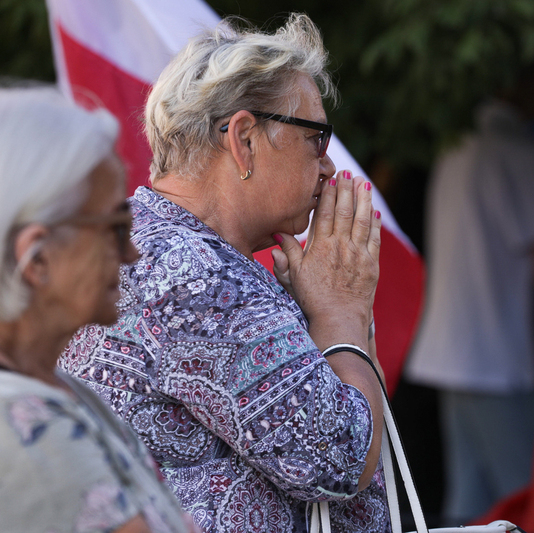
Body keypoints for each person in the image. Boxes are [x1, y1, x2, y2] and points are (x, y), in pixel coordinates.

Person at [60, 14, 388, 533]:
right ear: (244, 140)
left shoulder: (145, 243)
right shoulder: (194, 274)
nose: (328, 168)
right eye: (316, 139)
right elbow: (337, 457)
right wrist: (341, 311)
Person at [0, 87, 195, 533]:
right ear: (38, 256)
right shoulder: (27, 435)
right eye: (115, 227)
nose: (131, 254)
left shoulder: (57, 388)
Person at [404, 64, 534, 524]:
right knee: (533, 503)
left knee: (469, 504)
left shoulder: (460, 143)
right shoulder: (521, 151)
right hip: (497, 356)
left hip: (450, 349)